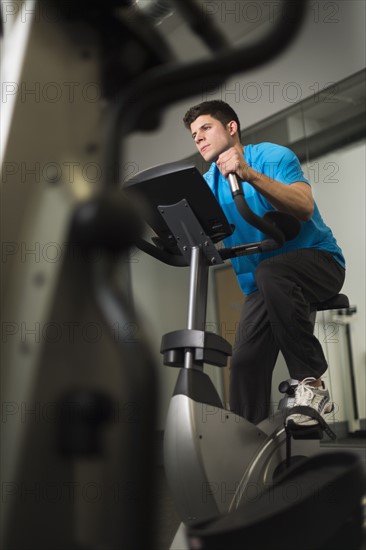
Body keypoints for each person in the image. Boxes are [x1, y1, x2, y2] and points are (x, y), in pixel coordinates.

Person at [183, 100, 346, 427]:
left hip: (320, 262)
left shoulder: (271, 157)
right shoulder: (209, 183)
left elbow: (303, 207)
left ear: (231, 128)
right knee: (244, 363)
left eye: (205, 128)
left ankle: (310, 383)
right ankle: (245, 442)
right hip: (263, 285)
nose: (198, 138)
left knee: (271, 271)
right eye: (193, 134)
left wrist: (249, 175)